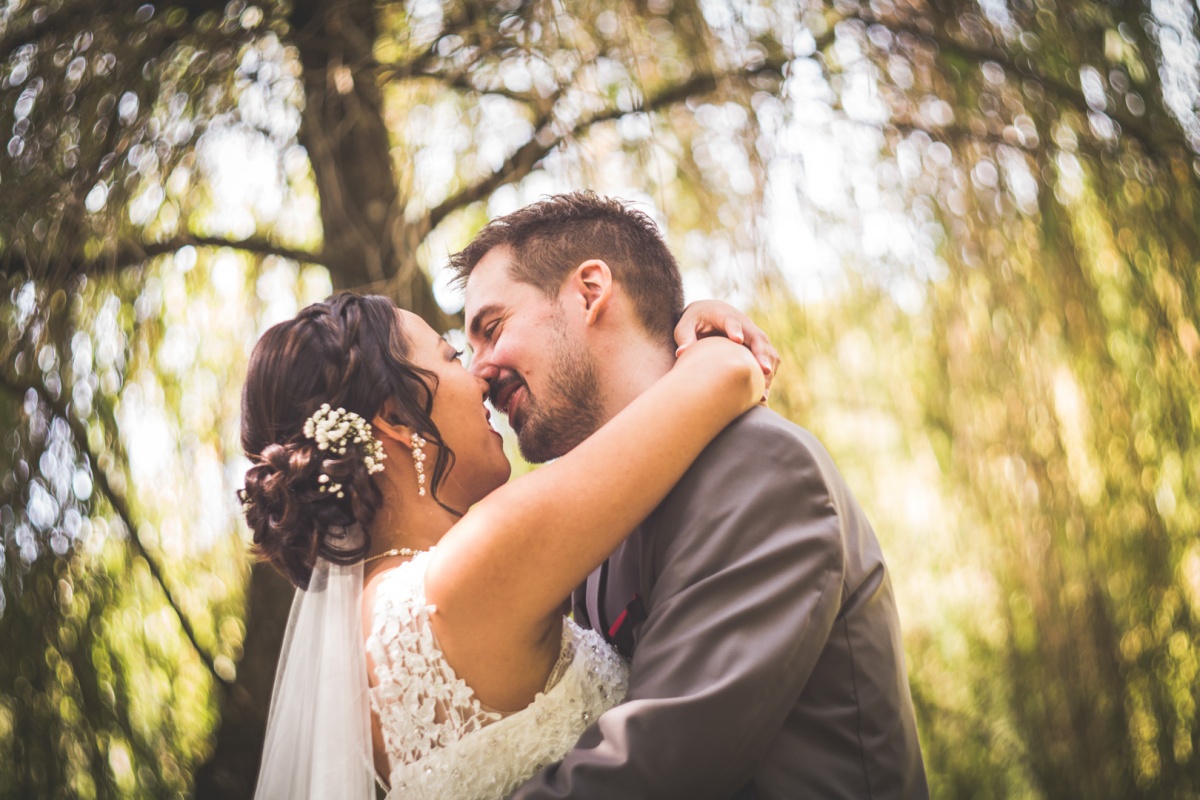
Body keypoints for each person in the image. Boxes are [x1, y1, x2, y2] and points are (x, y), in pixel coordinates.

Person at [451, 191, 930, 799]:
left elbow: (655, 773)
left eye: (491, 330)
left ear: (591, 291)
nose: (479, 373)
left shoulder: (758, 468)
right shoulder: (596, 521)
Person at [239, 291, 769, 799]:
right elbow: (728, 375)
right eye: (451, 357)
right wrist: (690, 331)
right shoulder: (470, 564)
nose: (481, 379)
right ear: (396, 419)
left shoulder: (357, 643)